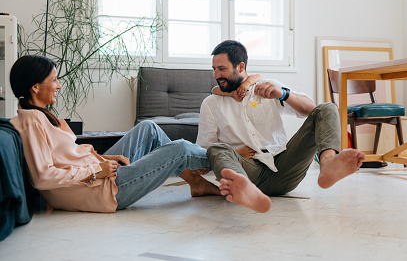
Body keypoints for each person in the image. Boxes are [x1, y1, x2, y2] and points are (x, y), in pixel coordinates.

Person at [9, 55, 220, 213]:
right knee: (180, 149)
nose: (59, 85)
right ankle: (228, 159)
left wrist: (106, 159)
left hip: (98, 176)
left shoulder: (40, 116)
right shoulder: (32, 121)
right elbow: (43, 178)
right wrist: (96, 170)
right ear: (35, 87)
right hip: (99, 189)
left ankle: (197, 182)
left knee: (149, 128)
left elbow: (68, 158)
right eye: (54, 80)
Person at [197, 40, 366, 213]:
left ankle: (328, 163)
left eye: (222, 69)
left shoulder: (268, 86)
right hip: (245, 171)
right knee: (216, 148)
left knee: (328, 108)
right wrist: (235, 154)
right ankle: (244, 190)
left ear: (240, 67)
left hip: (283, 166)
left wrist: (284, 95)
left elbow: (311, 110)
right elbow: (203, 151)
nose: (216, 75)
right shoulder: (211, 104)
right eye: (214, 69)